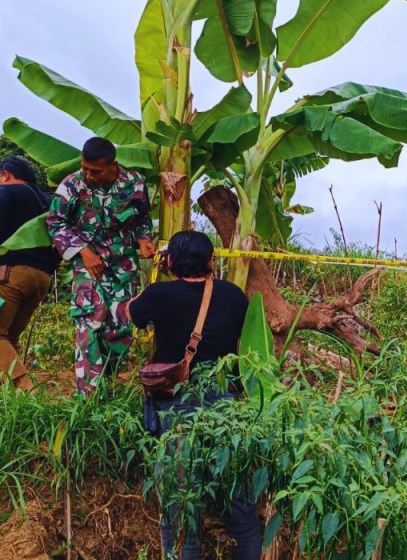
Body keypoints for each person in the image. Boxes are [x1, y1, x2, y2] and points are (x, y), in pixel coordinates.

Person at [128, 230, 259, 560]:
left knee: (180, 516)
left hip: (176, 413)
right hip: (226, 412)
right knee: (242, 514)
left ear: (169, 261)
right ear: (211, 262)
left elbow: (131, 314)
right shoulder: (232, 295)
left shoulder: (159, 294)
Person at [47, 137, 155, 395]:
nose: (88, 174)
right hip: (88, 267)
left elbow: (143, 218)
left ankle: (106, 381)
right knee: (90, 324)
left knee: (120, 329)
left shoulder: (134, 184)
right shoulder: (72, 185)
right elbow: (55, 223)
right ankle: (88, 395)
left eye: (94, 171)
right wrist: (83, 251)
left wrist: (143, 238)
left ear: (112, 166)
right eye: (84, 168)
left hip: (122, 267)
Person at [0, 157, 61, 393]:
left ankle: (25, 386)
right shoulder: (50, 201)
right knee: (7, 337)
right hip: (41, 277)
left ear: (5, 174)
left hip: (7, 273)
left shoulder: (5, 192)